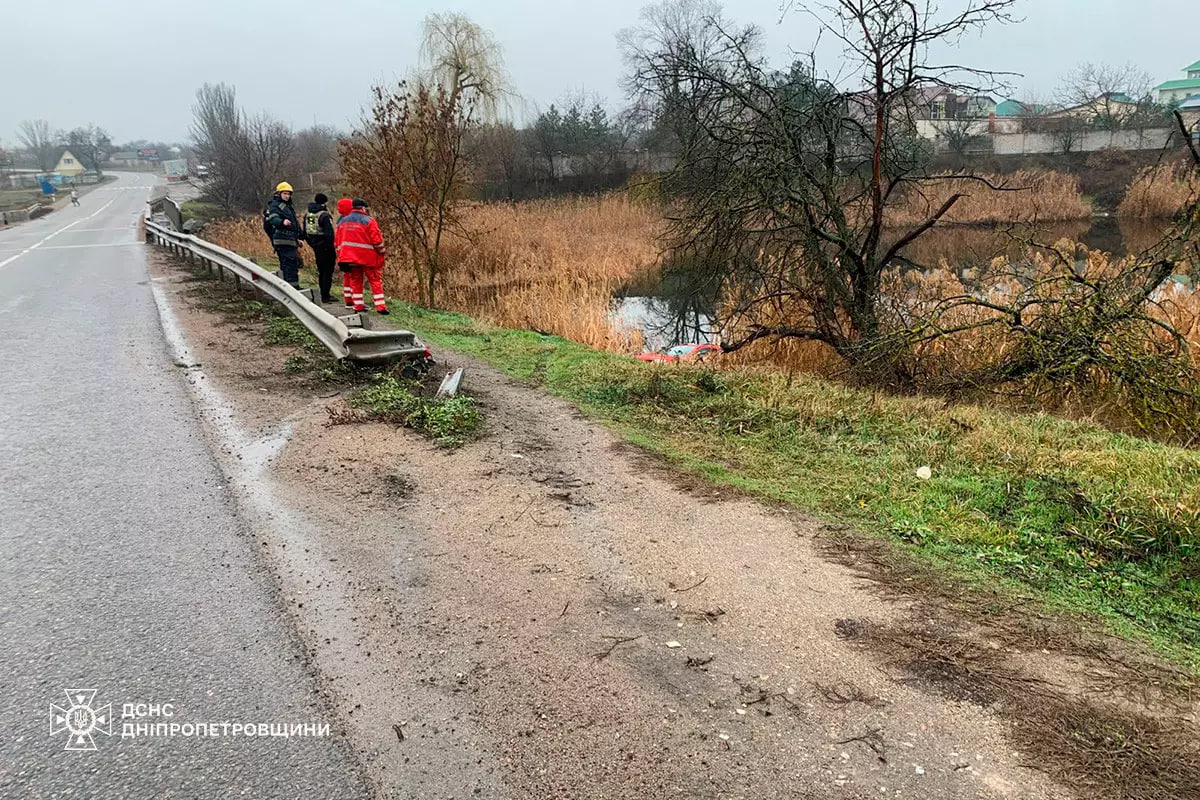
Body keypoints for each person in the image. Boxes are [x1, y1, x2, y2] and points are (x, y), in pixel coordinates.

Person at [334, 198, 389, 314]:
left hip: (349, 258)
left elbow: (337, 241)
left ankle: (358, 305)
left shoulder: (342, 222)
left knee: (355, 280)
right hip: (367, 258)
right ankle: (381, 307)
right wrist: (382, 251)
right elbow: (377, 240)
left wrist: (341, 256)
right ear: (363, 208)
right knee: (375, 280)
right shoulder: (369, 221)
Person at [263, 181, 304, 289]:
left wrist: (299, 237)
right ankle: (292, 289)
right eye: (285, 193)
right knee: (289, 264)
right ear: (279, 193)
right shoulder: (275, 205)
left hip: (291, 239)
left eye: (289, 194)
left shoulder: (288, 207)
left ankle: (291, 287)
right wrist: (282, 222)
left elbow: (295, 223)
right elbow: (273, 219)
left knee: (292, 263)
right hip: (282, 239)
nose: (287, 196)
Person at [303, 193, 337, 303]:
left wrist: (312, 244)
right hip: (326, 247)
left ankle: (323, 293)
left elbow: (305, 232)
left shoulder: (308, 215)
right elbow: (329, 234)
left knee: (321, 270)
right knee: (328, 271)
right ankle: (325, 295)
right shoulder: (324, 215)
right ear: (324, 202)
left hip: (316, 246)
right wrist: (331, 246)